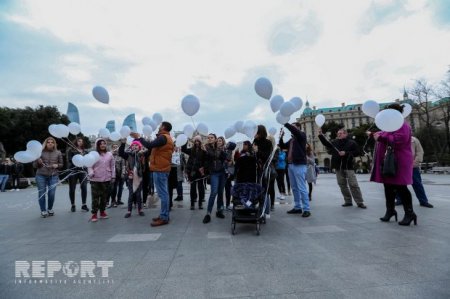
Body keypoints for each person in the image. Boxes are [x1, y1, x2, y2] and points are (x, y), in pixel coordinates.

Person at [369, 103, 417, 226]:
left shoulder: (402, 125)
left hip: (399, 161)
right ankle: (390, 211)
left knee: (401, 187)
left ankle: (409, 213)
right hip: (389, 161)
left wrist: (379, 138)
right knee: (388, 187)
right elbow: (387, 135)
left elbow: (399, 140)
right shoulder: (390, 126)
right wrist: (374, 135)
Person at [132, 121, 174, 227]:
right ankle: (164, 215)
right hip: (161, 168)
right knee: (164, 193)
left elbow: (150, 145)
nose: (158, 127)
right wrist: (144, 153)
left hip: (160, 169)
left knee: (163, 194)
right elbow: (154, 150)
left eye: (160, 126)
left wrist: (139, 137)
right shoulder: (165, 138)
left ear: (163, 127)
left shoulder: (163, 137)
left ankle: (164, 217)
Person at [318, 128, 367, 209]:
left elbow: (357, 152)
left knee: (353, 184)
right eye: (338, 133)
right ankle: (348, 201)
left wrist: (346, 153)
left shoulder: (352, 143)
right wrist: (320, 135)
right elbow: (326, 143)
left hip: (348, 167)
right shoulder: (335, 142)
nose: (338, 135)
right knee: (342, 185)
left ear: (345, 134)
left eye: (340, 133)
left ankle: (359, 202)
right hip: (338, 167)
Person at [279, 122, 310, 217]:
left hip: (299, 164)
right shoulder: (292, 140)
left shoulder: (301, 136)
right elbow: (283, 146)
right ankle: (297, 207)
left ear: (298, 128)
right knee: (294, 188)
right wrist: (281, 137)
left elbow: (295, 131)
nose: (292, 128)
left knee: (301, 187)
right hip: (291, 165)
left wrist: (286, 123)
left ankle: (306, 209)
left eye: (294, 127)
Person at [395, 136, 433, 208]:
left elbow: (420, 152)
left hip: (412, 166)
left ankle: (423, 201)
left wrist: (415, 162)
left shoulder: (414, 140)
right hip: (399, 166)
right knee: (399, 184)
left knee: (417, 184)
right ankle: (400, 199)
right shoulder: (396, 138)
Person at [33, 137, 63, 218]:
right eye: (48, 142)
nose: (50, 143)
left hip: (53, 175)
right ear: (45, 143)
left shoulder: (58, 153)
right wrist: (38, 162)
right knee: (41, 193)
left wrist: (57, 165)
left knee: (52, 193)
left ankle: (50, 208)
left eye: (52, 142)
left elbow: (61, 164)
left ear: (54, 144)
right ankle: (43, 210)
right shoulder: (39, 152)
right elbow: (34, 166)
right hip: (41, 175)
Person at [88, 138, 115, 222]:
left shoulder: (109, 154)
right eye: (101, 144)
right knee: (95, 197)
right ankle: (94, 214)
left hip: (106, 178)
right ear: (97, 145)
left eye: (104, 143)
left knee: (104, 197)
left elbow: (113, 166)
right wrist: (91, 172)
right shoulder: (93, 154)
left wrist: (113, 176)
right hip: (95, 179)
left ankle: (102, 212)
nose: (103, 145)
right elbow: (89, 165)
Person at [203, 134, 227, 224]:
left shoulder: (220, 147)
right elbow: (212, 156)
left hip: (222, 172)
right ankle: (208, 213)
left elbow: (224, 158)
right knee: (214, 192)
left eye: (211, 137)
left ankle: (219, 210)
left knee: (220, 192)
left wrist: (221, 149)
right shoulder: (206, 147)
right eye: (208, 138)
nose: (209, 139)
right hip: (213, 173)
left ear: (215, 139)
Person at [119, 140, 146, 218]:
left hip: (139, 177)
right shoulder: (128, 155)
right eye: (133, 145)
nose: (134, 146)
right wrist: (123, 143)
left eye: (136, 145)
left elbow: (149, 150)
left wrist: (142, 147)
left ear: (139, 147)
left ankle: (140, 209)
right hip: (131, 177)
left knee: (138, 194)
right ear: (131, 147)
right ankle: (129, 211)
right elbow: (120, 153)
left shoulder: (142, 155)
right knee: (131, 194)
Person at [182, 135, 207, 210]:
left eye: (198, 141)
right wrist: (186, 140)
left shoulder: (203, 151)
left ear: (200, 142)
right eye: (195, 141)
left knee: (201, 188)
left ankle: (200, 203)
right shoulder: (191, 150)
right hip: (192, 172)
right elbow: (183, 149)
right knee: (192, 188)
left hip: (200, 171)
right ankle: (192, 203)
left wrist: (203, 168)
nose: (196, 142)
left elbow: (206, 159)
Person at [66, 137, 89, 212]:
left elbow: (88, 160)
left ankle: (84, 204)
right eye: (79, 141)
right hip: (73, 170)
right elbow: (70, 160)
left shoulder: (85, 151)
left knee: (84, 187)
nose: (80, 142)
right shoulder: (71, 150)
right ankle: (73, 205)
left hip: (83, 171)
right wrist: (79, 156)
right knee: (72, 188)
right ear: (76, 142)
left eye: (81, 141)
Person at [224, 141, 237, 211]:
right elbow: (227, 163)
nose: (226, 145)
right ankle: (227, 205)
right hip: (228, 174)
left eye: (228, 144)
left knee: (228, 189)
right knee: (228, 189)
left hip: (227, 173)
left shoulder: (228, 152)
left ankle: (227, 205)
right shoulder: (229, 152)